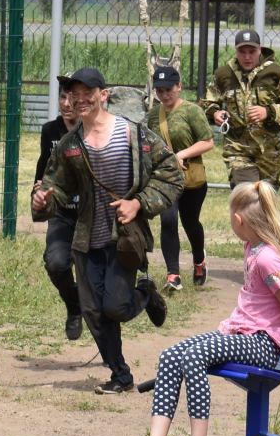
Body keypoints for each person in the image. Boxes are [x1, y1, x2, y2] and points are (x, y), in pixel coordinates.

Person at [113, 183, 280, 436]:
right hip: (241, 334)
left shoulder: (268, 259)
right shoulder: (252, 247)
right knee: (170, 356)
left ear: (238, 220)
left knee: (194, 357)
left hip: (263, 343)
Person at [32, 67, 181, 394]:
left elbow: (171, 173)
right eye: (75, 94)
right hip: (87, 237)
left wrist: (139, 203)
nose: (81, 99)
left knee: (115, 306)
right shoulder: (70, 145)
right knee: (92, 311)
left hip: (124, 237)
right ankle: (120, 375)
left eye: (89, 93)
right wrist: (44, 199)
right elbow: (55, 184)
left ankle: (145, 294)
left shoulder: (133, 135)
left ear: (103, 95)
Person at [200, 29, 280, 187]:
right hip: (237, 147)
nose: (247, 57)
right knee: (245, 193)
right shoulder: (224, 74)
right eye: (242, 52)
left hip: (269, 149)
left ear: (259, 50)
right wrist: (215, 113)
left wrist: (268, 112)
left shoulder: (274, 72)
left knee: (265, 198)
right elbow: (207, 103)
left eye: (251, 51)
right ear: (236, 51)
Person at [149, 64, 216, 292]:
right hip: (165, 180)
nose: (164, 94)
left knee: (190, 223)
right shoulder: (152, 116)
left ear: (179, 87)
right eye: (159, 90)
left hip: (192, 180)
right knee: (168, 220)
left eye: (168, 89)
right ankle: (173, 275)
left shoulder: (192, 111)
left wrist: (181, 154)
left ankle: (199, 260)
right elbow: (145, 144)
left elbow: (208, 141)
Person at [34, 81, 85, 340]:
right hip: (62, 211)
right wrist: (39, 191)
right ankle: (74, 307)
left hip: (91, 213)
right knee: (55, 263)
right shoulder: (50, 131)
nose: (66, 104)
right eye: (62, 97)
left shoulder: (93, 130)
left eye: (72, 98)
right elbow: (43, 168)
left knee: (96, 279)